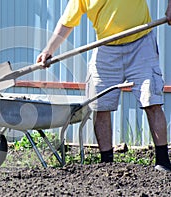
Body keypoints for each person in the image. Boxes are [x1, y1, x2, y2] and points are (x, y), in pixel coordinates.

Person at [36, 0, 171, 172]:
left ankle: (163, 162)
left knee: (151, 99)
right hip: (105, 48)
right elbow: (66, 22)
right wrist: (49, 49)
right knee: (100, 104)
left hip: (141, 43)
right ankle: (107, 164)